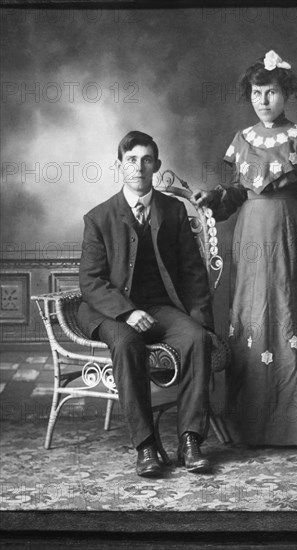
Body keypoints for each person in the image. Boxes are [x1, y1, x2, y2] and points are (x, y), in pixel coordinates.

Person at [194, 50, 297, 447]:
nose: (263, 101)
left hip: (290, 236)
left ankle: (295, 423)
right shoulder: (243, 140)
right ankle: (250, 423)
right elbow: (240, 192)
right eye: (257, 93)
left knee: (292, 312)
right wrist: (216, 196)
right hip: (251, 236)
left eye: (271, 92)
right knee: (253, 314)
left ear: (285, 93)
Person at [78, 130, 214, 477]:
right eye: (131, 160)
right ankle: (146, 446)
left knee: (196, 339)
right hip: (109, 310)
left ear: (157, 165)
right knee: (127, 343)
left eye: (146, 160)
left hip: (158, 306)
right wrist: (127, 311)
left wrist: (200, 319)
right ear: (120, 165)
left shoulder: (173, 210)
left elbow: (193, 270)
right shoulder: (99, 217)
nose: (139, 167)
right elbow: (91, 282)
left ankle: (190, 441)